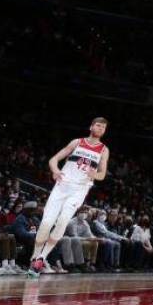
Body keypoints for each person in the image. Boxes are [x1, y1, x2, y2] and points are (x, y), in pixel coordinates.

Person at [27, 117, 110, 277]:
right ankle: (34, 256)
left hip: (79, 189)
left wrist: (96, 174)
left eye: (103, 127)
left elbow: (102, 174)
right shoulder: (77, 142)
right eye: (98, 125)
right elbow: (53, 160)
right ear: (91, 126)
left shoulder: (103, 150)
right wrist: (55, 171)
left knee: (63, 221)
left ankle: (41, 259)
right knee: (46, 223)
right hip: (62, 186)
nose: (100, 129)